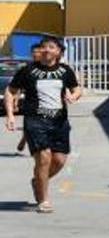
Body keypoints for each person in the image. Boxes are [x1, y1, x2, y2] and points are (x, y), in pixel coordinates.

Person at [4, 35, 82, 214]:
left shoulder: (65, 71)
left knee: (59, 160)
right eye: (44, 47)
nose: (47, 50)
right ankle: (44, 200)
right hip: (35, 121)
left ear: (58, 52)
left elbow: (76, 88)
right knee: (44, 158)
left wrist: (73, 96)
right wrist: (10, 115)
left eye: (51, 47)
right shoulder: (28, 70)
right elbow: (10, 90)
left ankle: (38, 181)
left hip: (59, 122)